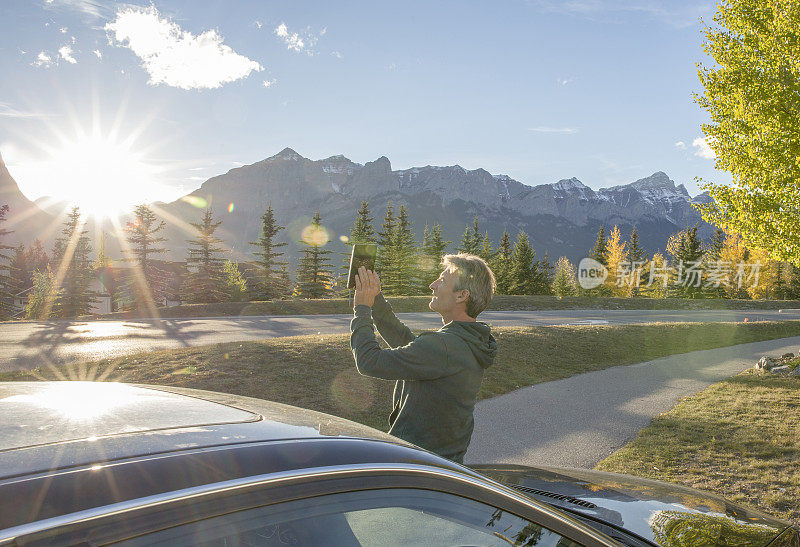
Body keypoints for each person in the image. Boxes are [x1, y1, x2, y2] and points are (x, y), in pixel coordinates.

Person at [350, 253, 497, 463]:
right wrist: (376, 299)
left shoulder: (444, 346)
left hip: (414, 464)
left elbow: (368, 361)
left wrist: (362, 308)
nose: (432, 285)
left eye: (443, 281)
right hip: (441, 464)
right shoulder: (469, 340)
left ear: (461, 295)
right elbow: (408, 344)